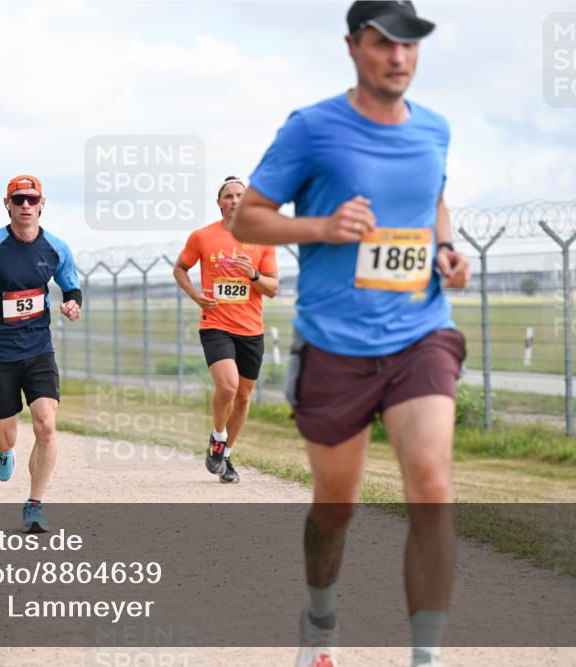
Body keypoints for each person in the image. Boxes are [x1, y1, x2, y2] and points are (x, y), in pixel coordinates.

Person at [232, 3, 471, 666]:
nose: (398, 57)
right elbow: (249, 219)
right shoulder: (312, 128)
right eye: (382, 43)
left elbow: (433, 197)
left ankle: (426, 656)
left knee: (432, 487)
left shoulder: (435, 129)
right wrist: (322, 227)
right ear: (352, 47)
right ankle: (320, 617)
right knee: (336, 506)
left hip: (421, 331)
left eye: (409, 45)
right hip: (335, 342)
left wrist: (445, 250)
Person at [0, 175, 81, 533]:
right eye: (19, 199)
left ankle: (35, 505)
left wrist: (72, 304)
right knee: (6, 436)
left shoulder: (56, 247)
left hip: (38, 348)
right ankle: (0, 447)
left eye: (32, 199)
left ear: (42, 204)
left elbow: (71, 288)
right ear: (7, 204)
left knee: (46, 424)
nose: (25, 205)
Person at [174, 176, 278, 484]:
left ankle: (225, 456)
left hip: (251, 330)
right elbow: (180, 268)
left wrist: (254, 274)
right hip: (215, 324)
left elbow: (272, 288)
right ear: (219, 203)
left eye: (239, 196)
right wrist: (195, 295)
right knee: (229, 386)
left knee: (243, 398)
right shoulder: (202, 237)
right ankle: (218, 436)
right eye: (228, 196)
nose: (234, 200)